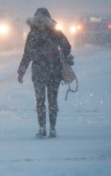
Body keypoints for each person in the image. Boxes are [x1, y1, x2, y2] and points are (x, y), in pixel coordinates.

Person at [17, 8, 73, 138]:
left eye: (43, 21)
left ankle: (50, 128)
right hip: (46, 72)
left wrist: (61, 55)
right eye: (39, 21)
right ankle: (44, 128)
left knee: (49, 101)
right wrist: (21, 71)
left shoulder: (39, 34)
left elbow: (66, 47)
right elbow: (27, 54)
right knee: (42, 101)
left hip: (47, 72)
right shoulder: (50, 33)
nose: (41, 24)